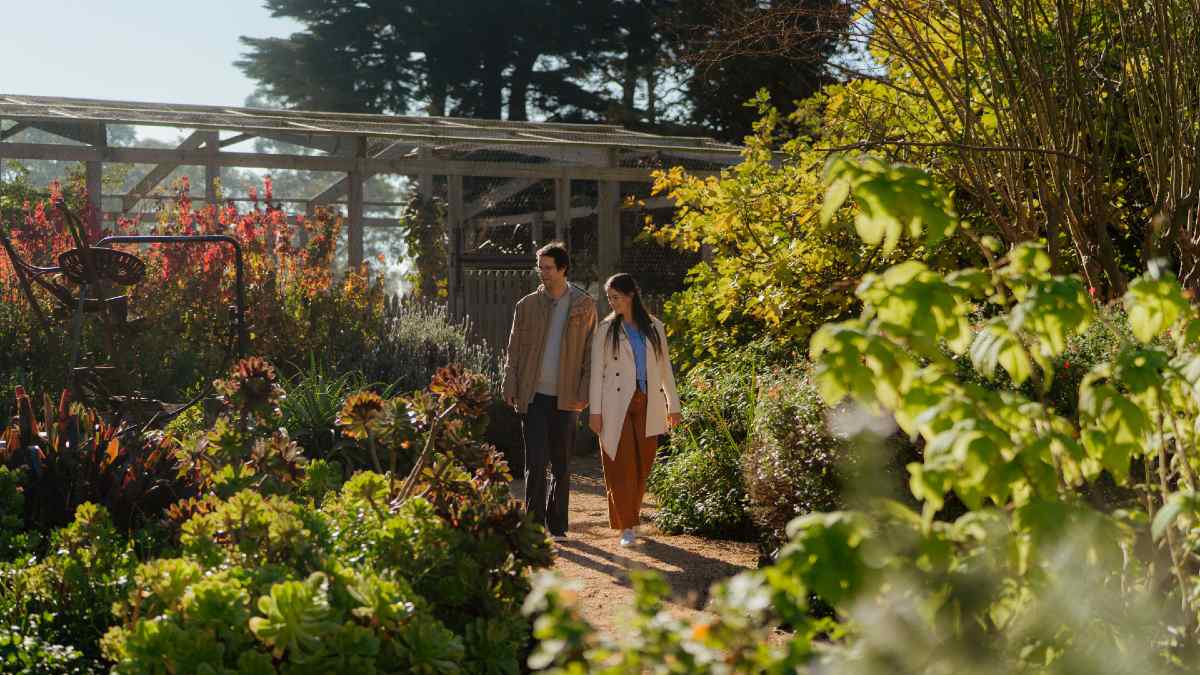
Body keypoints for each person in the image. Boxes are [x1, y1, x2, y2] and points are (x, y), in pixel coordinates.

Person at [502, 242, 597, 540]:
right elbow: (514, 349)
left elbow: (591, 353)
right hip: (533, 395)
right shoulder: (526, 305)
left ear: (563, 269)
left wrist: (585, 392)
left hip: (568, 398)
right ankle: (533, 525)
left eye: (548, 268)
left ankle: (557, 527)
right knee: (536, 461)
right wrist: (509, 382)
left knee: (561, 464)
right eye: (539, 267)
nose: (542, 273)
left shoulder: (584, 305)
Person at [588, 273, 682, 547]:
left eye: (616, 297)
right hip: (614, 404)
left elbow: (666, 370)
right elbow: (597, 373)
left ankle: (631, 517)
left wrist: (673, 406)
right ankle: (627, 526)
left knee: (643, 462)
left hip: (648, 401)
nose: (612, 302)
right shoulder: (605, 330)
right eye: (609, 298)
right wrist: (595, 412)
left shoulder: (655, 327)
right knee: (620, 464)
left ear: (630, 296)